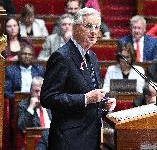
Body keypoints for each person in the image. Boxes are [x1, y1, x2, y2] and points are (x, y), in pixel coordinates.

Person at [40, 8, 116, 150]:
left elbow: (89, 93)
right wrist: (85, 99)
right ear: (75, 28)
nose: (94, 31)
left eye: (97, 27)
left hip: (91, 138)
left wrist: (102, 104)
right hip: (69, 140)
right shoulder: (62, 57)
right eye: (88, 26)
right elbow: (48, 98)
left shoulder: (92, 57)